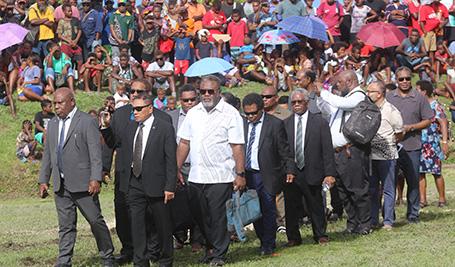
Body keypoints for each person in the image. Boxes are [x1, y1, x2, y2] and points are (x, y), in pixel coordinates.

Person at [38, 88, 115, 267]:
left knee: (95, 221)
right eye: (54, 103)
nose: (56, 107)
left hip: (84, 184)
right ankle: (64, 261)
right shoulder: (53, 124)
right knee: (66, 226)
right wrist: (43, 180)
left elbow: (95, 153)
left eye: (60, 103)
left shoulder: (87, 121)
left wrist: (95, 178)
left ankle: (107, 256)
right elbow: (48, 155)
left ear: (71, 101)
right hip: (61, 185)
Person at [176, 75, 246, 266]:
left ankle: (219, 254)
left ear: (218, 92)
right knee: (200, 215)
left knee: (217, 216)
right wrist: (176, 168)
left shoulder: (230, 114)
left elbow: (237, 146)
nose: (206, 95)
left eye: (210, 91)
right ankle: (211, 246)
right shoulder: (193, 113)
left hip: (221, 175)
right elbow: (184, 142)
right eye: (203, 91)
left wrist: (240, 174)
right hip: (197, 176)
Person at [101, 92, 176, 267]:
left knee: (163, 225)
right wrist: (105, 127)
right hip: (134, 184)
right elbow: (114, 143)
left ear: (150, 109)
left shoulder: (164, 128)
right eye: (134, 109)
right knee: (137, 224)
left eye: (139, 109)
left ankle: (165, 260)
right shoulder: (131, 127)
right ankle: (140, 261)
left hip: (157, 184)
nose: (135, 112)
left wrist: (170, 186)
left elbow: (170, 159)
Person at [317, 70, 372, 234]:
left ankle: (365, 223)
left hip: (351, 151)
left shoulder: (359, 96)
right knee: (343, 190)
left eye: (339, 83)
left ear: (349, 81)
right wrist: (319, 97)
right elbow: (329, 111)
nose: (337, 86)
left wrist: (322, 91)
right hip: (337, 152)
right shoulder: (345, 99)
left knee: (357, 189)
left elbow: (340, 103)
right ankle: (352, 222)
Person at [242, 93, 294, 255]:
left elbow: (284, 150)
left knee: (268, 208)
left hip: (267, 173)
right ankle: (263, 239)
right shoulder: (241, 124)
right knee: (254, 210)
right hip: (247, 174)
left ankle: (269, 244)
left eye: (253, 113)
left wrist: (290, 169)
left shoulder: (275, 124)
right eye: (247, 113)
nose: (250, 116)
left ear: (261, 109)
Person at [283, 89, 336, 246]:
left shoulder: (319, 123)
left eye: (300, 102)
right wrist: (288, 169)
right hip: (292, 172)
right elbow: (284, 151)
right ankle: (293, 237)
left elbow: (327, 150)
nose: (297, 105)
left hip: (313, 170)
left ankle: (320, 234)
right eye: (294, 102)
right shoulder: (285, 124)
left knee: (315, 204)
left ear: (307, 102)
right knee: (291, 206)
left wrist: (329, 173)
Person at [386, 67, 433, 223]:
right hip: (390, 146)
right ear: (396, 80)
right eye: (401, 79)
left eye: (407, 79)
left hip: (412, 145)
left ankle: (413, 214)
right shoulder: (389, 97)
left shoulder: (419, 98)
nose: (405, 82)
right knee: (389, 182)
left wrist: (411, 127)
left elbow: (428, 120)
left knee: (413, 181)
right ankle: (388, 216)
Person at [167, 84, 203, 251]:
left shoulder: (204, 116)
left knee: (197, 203)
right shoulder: (170, 117)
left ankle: (197, 239)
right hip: (177, 168)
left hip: (199, 167)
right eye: (185, 100)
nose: (189, 103)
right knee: (177, 204)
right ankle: (179, 237)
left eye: (192, 100)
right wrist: (175, 169)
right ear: (180, 101)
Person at [366, 81, 403, 230]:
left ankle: (388, 221)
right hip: (371, 156)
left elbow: (399, 133)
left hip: (387, 158)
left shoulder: (391, 110)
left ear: (379, 94)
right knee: (373, 190)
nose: (368, 94)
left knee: (388, 189)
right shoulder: (368, 108)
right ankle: (373, 220)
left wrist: (388, 144)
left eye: (370, 91)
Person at [416, 80, 449, 208]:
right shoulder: (418, 105)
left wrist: (444, 142)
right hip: (419, 142)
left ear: (424, 92)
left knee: (436, 172)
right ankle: (422, 200)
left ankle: (442, 199)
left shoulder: (435, 105)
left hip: (432, 143)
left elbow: (443, 123)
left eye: (417, 90)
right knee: (420, 172)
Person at [56, 3, 83, 72]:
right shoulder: (61, 21)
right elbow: (59, 35)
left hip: (75, 44)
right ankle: (67, 78)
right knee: (67, 62)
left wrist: (76, 41)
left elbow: (80, 30)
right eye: (68, 11)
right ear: (64, 12)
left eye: (71, 11)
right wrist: (69, 41)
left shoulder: (75, 20)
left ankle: (80, 80)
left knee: (80, 61)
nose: (70, 12)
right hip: (66, 45)